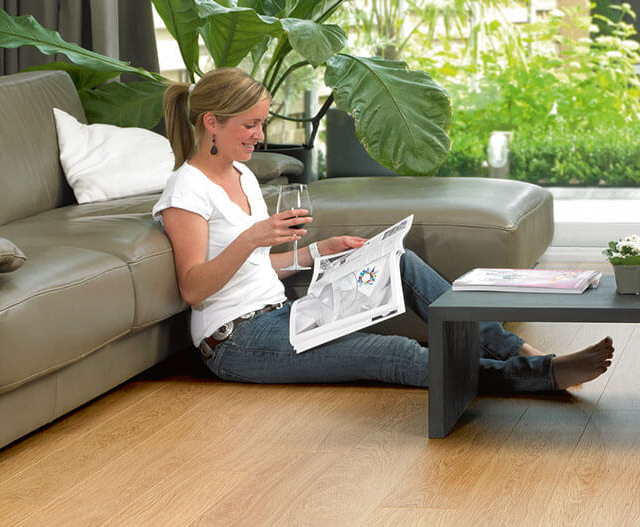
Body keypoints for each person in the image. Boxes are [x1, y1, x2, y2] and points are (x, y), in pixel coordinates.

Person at [153, 67, 614, 392]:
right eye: (250, 124)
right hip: (238, 342)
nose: (260, 134)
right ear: (211, 122)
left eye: (262, 123)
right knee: (393, 354)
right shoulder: (186, 190)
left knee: (399, 261)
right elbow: (195, 288)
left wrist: (319, 252)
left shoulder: (242, 175)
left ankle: (524, 351)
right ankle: (539, 377)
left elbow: (256, 268)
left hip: (282, 313)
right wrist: (252, 236)